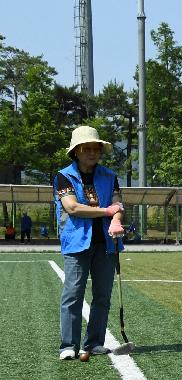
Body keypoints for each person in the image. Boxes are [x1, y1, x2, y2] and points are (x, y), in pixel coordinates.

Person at [53, 125, 125, 360]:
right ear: (76, 151)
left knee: (103, 295)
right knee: (73, 294)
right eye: (87, 148)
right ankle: (68, 346)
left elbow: (117, 205)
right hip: (76, 244)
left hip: (106, 244)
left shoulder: (110, 176)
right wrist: (108, 212)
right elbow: (72, 207)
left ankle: (94, 342)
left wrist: (116, 219)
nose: (93, 153)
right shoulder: (64, 176)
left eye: (96, 148)